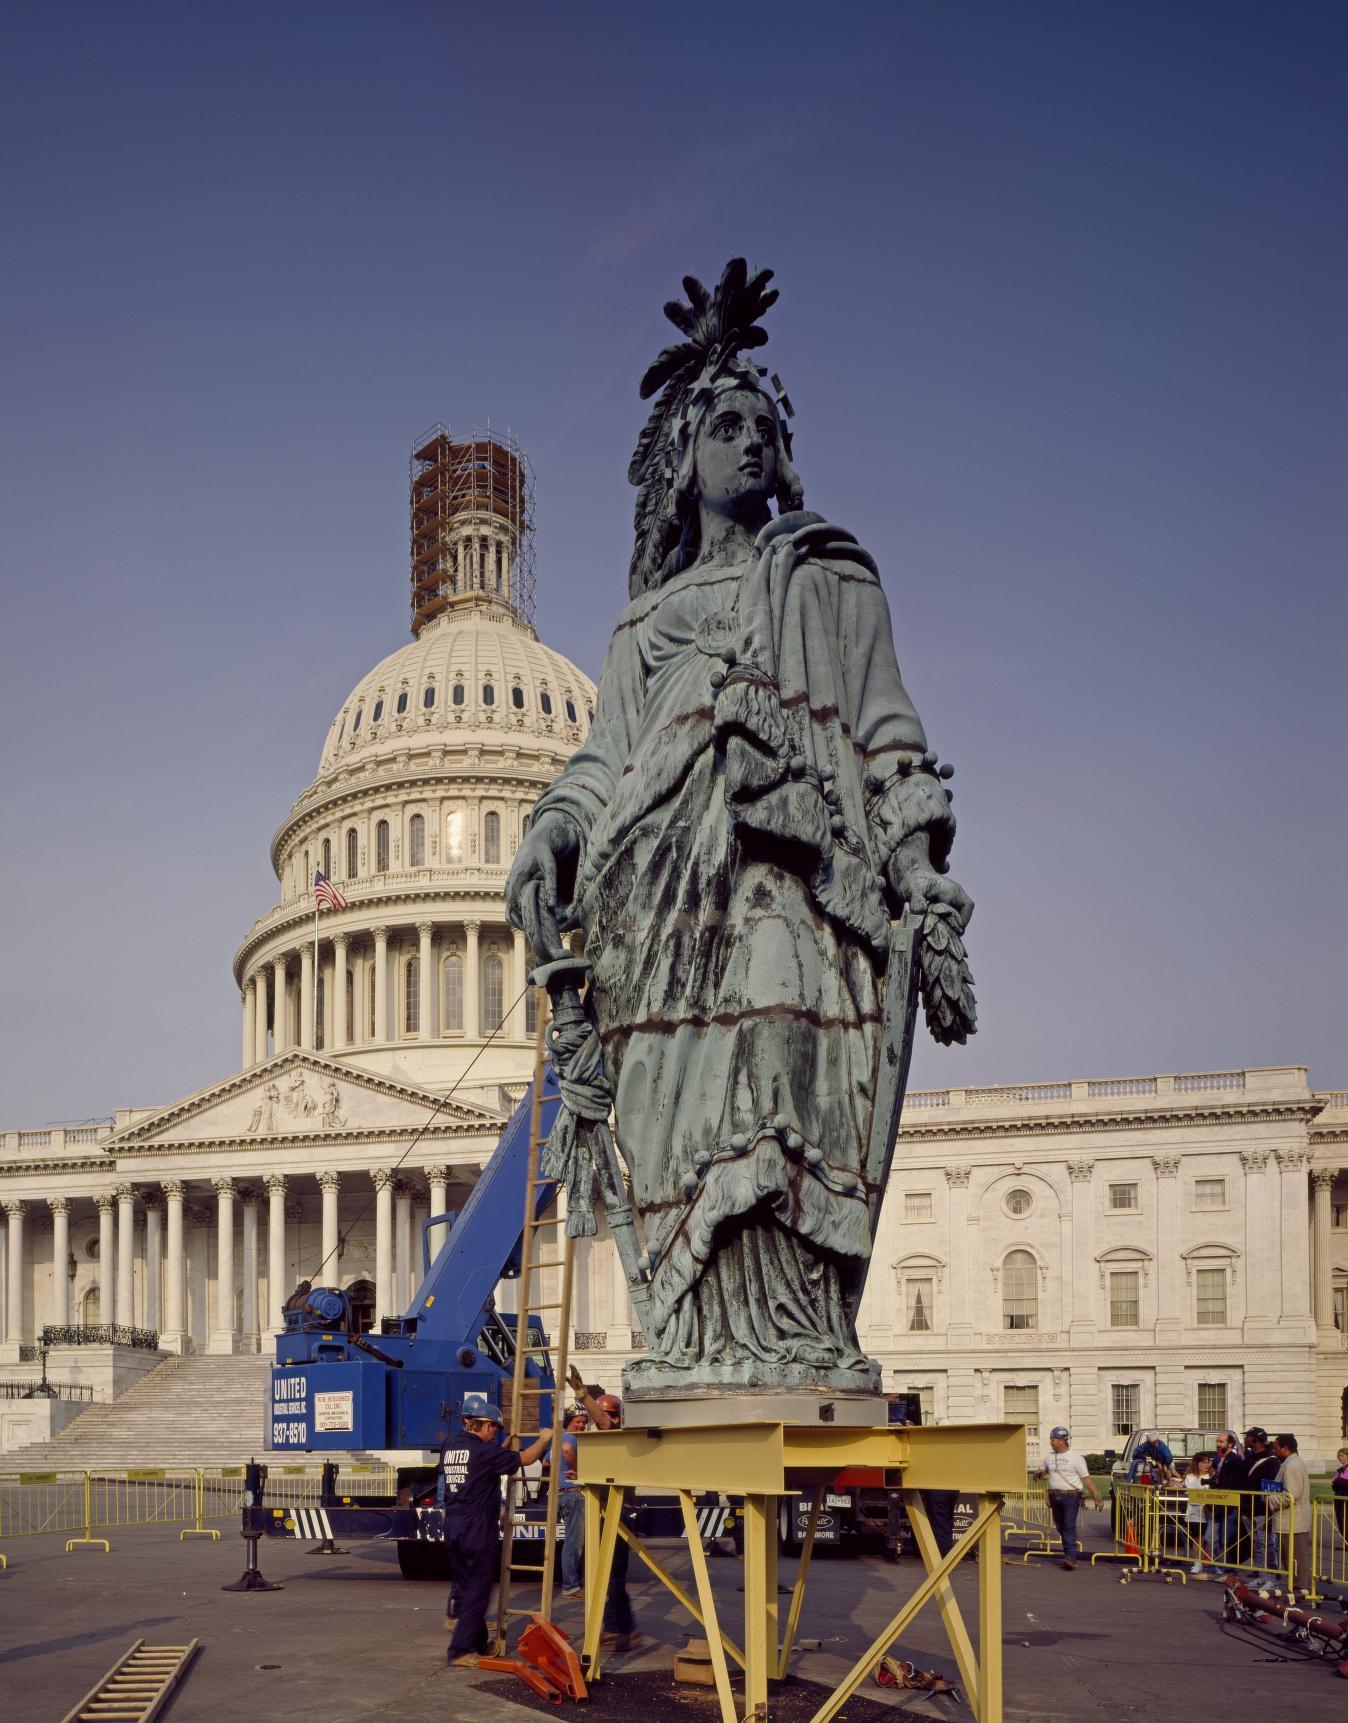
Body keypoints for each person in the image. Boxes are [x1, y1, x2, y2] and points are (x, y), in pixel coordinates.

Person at [505, 260, 975, 1397]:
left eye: (762, 424)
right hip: (660, 895)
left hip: (787, 862)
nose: (748, 441)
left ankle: (791, 1324)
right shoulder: (640, 624)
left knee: (780, 1057)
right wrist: (551, 825)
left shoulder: (829, 582)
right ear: (683, 461)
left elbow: (885, 732)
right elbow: (602, 759)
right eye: (723, 425)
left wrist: (915, 872)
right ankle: (704, 1332)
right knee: (680, 1104)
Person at [439, 1397, 553, 1668]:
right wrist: (544, 1438)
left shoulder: (451, 1446)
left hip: (453, 1527)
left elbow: (480, 1465)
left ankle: (477, 1644)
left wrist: (503, 1446)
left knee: (468, 1589)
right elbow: (526, 1458)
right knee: (478, 1591)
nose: (495, 1434)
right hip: (476, 1530)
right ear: (486, 1426)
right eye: (495, 1429)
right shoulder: (485, 1454)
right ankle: (461, 1651)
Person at [1035, 1426, 1102, 1570]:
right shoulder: (1049, 1456)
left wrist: (1096, 1496)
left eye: (1054, 1439)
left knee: (1068, 1525)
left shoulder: (1076, 1458)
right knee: (1060, 1526)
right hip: (1054, 1496)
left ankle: (1071, 1557)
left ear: (1063, 1441)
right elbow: (1042, 1470)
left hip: (1071, 1496)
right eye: (1051, 1439)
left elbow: (1086, 1478)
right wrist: (1038, 1474)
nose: (1051, 1442)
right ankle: (1068, 1553)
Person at [1271, 1433, 1311, 1596]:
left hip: (1293, 1520)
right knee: (1289, 1556)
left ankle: (1301, 1588)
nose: (1274, 1450)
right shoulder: (1289, 1462)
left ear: (1285, 1447)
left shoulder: (1292, 1465)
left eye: (1276, 1447)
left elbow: (1292, 1493)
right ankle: (1296, 1585)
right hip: (1289, 1520)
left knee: (1295, 1557)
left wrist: (1271, 1500)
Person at [1241, 1427, 1280, 1575]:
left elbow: (1272, 1487)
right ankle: (1259, 1570)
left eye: (1247, 1437)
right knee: (1256, 1543)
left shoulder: (1271, 1460)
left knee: (1267, 1543)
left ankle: (1270, 1572)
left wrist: (1269, 1508)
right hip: (1247, 1507)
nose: (1245, 1439)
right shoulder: (1249, 1458)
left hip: (1262, 1510)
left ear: (1254, 1439)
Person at [1210, 1431, 1245, 1565]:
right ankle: (1220, 1567)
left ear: (1230, 1444)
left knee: (1227, 1539)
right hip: (1219, 1505)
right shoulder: (1221, 1458)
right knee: (1212, 1537)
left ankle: (1230, 1570)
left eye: (1221, 1442)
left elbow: (1237, 1482)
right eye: (1217, 1442)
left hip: (1230, 1506)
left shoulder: (1235, 1460)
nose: (1218, 1444)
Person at [1182, 1452, 1215, 1575]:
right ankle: (1197, 1563)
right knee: (1197, 1539)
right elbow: (1193, 1491)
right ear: (1197, 1463)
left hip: (1209, 1512)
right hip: (1195, 1512)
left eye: (1208, 1462)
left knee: (1211, 1539)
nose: (1207, 1465)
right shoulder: (1190, 1477)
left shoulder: (1212, 1476)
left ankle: (1213, 1562)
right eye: (1204, 1462)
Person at [1332, 1446, 1348, 1541]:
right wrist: (1338, 1482)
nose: (1339, 1457)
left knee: (1345, 1520)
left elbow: (1344, 1483)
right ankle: (1345, 1542)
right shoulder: (1341, 1469)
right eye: (1338, 1456)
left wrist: (1338, 1481)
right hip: (1339, 1496)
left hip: (1345, 1498)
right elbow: (1334, 1485)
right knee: (1341, 1520)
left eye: (1342, 1455)